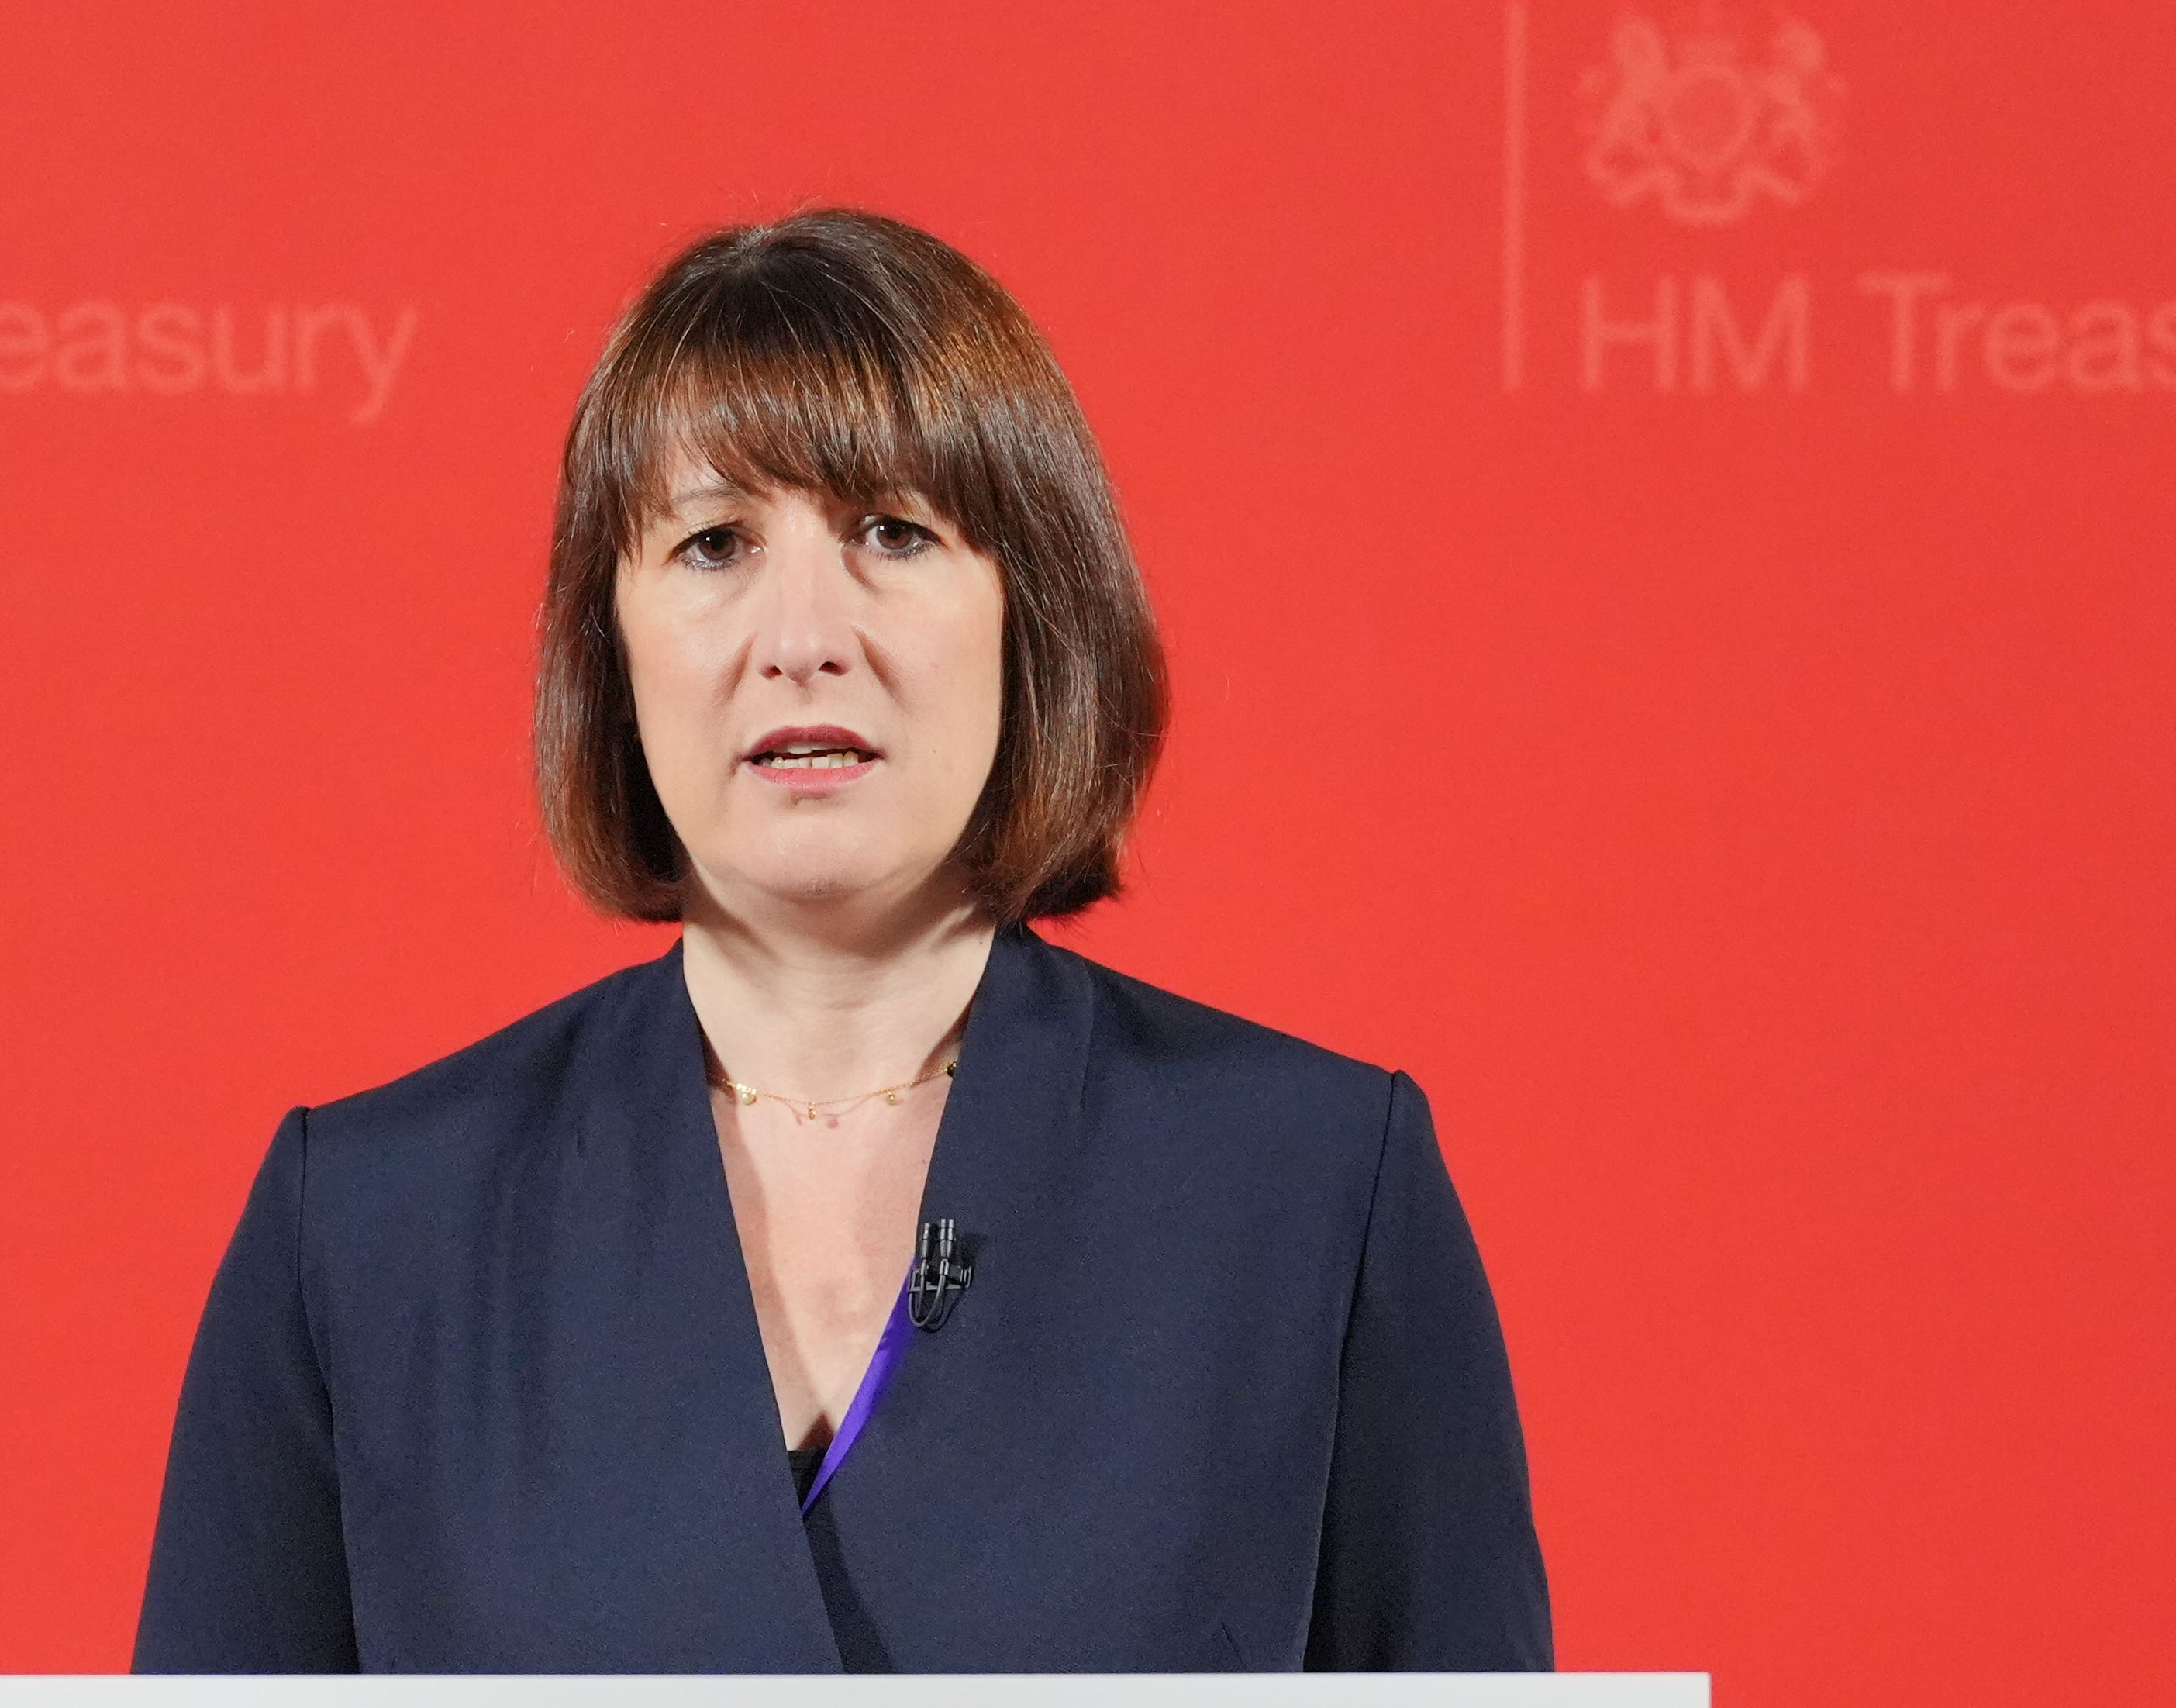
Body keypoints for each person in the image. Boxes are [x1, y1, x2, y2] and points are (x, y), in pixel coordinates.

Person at [131, 208, 1551, 1672]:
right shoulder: (369, 1228)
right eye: (714, 544)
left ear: (1030, 612)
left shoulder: (1313, 1186)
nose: (802, 633)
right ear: (608, 646)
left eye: (893, 532)